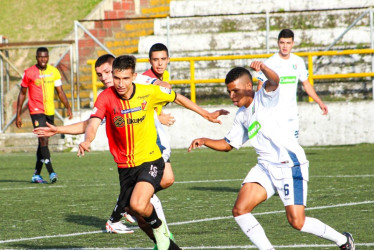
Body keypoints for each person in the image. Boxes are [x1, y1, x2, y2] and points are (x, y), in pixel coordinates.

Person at [188, 62, 355, 250]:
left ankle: (343, 240)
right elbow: (228, 144)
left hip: (289, 165)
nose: (231, 96)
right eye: (229, 92)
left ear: (248, 87)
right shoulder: (241, 115)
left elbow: (275, 80)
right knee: (240, 210)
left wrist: (264, 68)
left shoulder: (265, 97)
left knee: (297, 221)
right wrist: (204, 140)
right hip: (265, 167)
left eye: (235, 91)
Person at [77, 55, 227, 250]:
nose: (120, 84)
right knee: (137, 212)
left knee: (138, 205)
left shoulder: (148, 92)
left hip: (150, 160)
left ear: (133, 76)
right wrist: (88, 140)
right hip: (125, 167)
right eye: (116, 78)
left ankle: (158, 227)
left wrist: (206, 114)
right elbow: (94, 122)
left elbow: (177, 97)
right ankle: (165, 237)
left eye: (125, 78)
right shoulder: (105, 97)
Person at [257, 28, 328, 139]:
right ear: (278, 43)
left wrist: (320, 102)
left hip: (291, 114)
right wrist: (259, 109)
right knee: (278, 148)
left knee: (293, 148)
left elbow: (306, 84)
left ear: (292, 44)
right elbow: (260, 86)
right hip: (274, 114)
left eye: (288, 43)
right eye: (282, 43)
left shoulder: (298, 61)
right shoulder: (270, 63)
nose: (285, 46)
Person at [16, 47, 73, 184]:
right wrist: (18, 114)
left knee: (43, 142)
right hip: (36, 111)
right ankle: (51, 171)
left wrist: (68, 107)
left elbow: (60, 91)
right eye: (41, 57)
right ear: (36, 57)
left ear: (48, 57)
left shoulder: (54, 72)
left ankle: (36, 174)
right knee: (43, 140)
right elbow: (22, 93)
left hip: (49, 111)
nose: (43, 59)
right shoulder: (29, 73)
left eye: (45, 57)